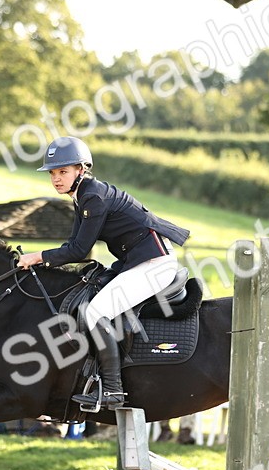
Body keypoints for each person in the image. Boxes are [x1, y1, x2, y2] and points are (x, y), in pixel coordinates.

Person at [18, 136, 191, 409]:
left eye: (63, 171)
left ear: (81, 169)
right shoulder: (83, 195)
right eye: (52, 173)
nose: (56, 179)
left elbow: (78, 250)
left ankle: (112, 390)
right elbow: (72, 245)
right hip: (138, 260)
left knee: (95, 312)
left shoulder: (93, 197)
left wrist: (37, 257)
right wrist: (43, 261)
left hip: (154, 265)